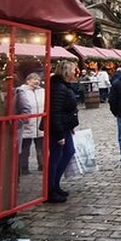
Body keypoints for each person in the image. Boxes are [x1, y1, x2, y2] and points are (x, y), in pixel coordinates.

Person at [47, 61, 79, 203]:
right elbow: (55, 112)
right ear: (67, 72)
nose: (75, 73)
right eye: (74, 71)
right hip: (58, 128)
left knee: (69, 152)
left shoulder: (64, 86)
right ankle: (50, 189)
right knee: (56, 157)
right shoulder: (58, 88)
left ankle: (56, 184)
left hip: (65, 126)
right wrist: (59, 134)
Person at [15, 72, 44, 175]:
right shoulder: (21, 91)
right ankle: (24, 168)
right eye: (34, 79)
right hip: (27, 123)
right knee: (25, 148)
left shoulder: (42, 91)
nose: (37, 81)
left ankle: (42, 165)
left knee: (41, 147)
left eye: (38, 79)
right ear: (28, 80)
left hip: (40, 122)